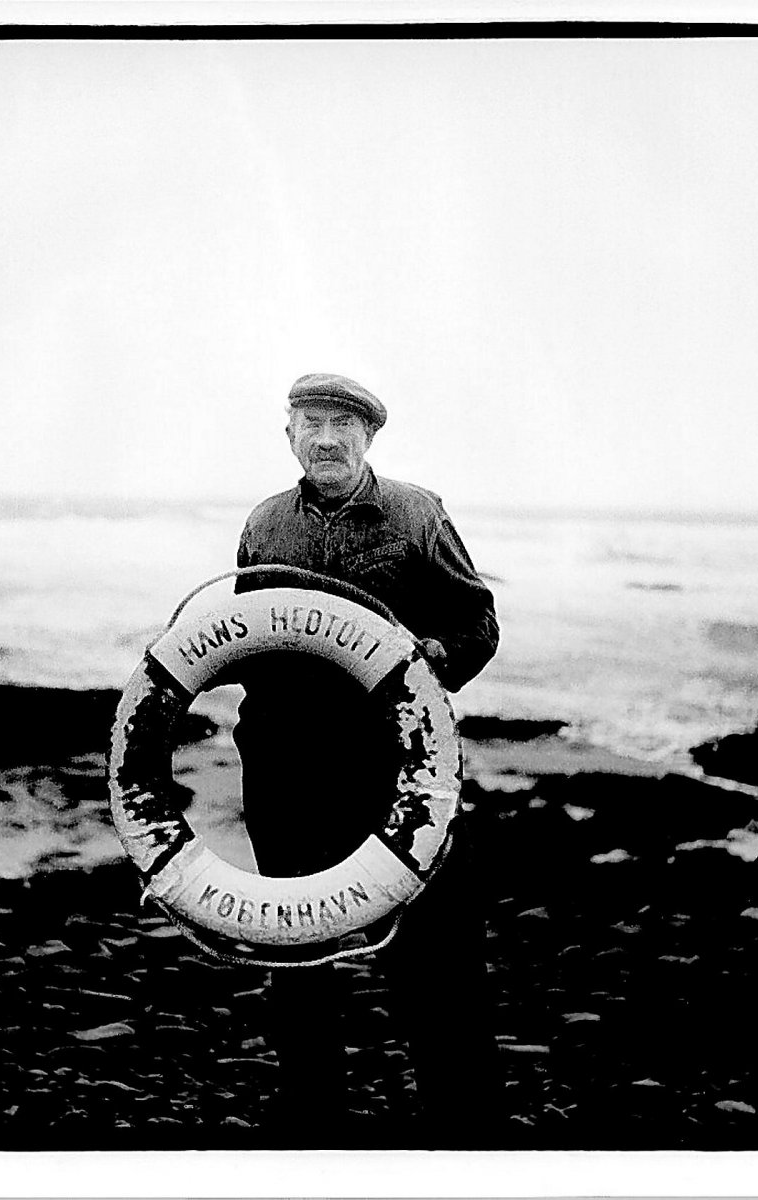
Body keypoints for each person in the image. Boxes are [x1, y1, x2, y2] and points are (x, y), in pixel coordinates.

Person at [231, 372, 501, 1147]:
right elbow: (244, 632)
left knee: (435, 948)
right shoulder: (264, 523)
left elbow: (478, 622)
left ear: (369, 436)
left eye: (342, 425)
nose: (325, 439)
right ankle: (311, 1115)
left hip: (394, 762)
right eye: (310, 423)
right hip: (285, 767)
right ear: (288, 435)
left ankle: (465, 1123)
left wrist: (438, 652)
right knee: (293, 944)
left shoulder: (416, 514)